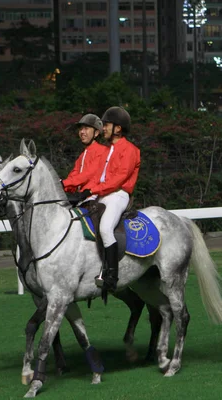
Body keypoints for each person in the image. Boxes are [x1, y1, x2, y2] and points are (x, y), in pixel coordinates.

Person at [85, 106, 140, 293]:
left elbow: (118, 179)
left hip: (118, 195)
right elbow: (95, 175)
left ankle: (111, 276)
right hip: (101, 193)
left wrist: (94, 189)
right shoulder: (106, 150)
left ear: (118, 128)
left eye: (107, 125)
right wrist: (84, 192)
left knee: (106, 228)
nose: (104, 129)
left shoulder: (131, 150)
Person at [61, 114, 108, 194]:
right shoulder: (82, 156)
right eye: (80, 129)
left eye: (86, 128)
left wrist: (63, 183)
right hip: (82, 195)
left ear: (96, 133)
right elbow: (73, 176)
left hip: (96, 195)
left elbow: (88, 175)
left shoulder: (103, 151)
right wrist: (60, 185)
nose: (82, 132)